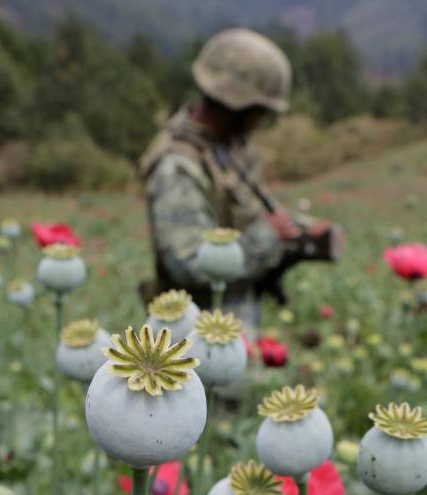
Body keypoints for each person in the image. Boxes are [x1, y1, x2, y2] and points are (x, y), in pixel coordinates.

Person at [138, 28, 342, 322]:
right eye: (262, 111)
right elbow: (189, 262)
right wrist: (270, 237)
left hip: (236, 320)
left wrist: (303, 230)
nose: (262, 121)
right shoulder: (177, 166)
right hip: (197, 339)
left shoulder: (226, 147)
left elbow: (249, 213)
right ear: (241, 105)